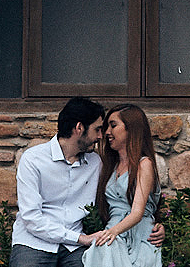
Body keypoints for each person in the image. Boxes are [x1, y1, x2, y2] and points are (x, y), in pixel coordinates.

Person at [11, 97, 164, 267]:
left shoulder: (96, 163)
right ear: (79, 128)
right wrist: (81, 238)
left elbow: (132, 198)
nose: (101, 135)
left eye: (109, 127)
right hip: (35, 242)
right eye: (98, 129)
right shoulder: (33, 159)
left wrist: (154, 225)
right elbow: (31, 217)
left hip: (74, 247)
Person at [81, 104, 161, 267]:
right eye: (106, 127)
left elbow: (137, 212)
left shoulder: (144, 164)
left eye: (113, 125)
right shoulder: (108, 166)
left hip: (138, 234)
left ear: (131, 129)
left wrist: (111, 232)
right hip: (113, 232)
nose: (107, 132)